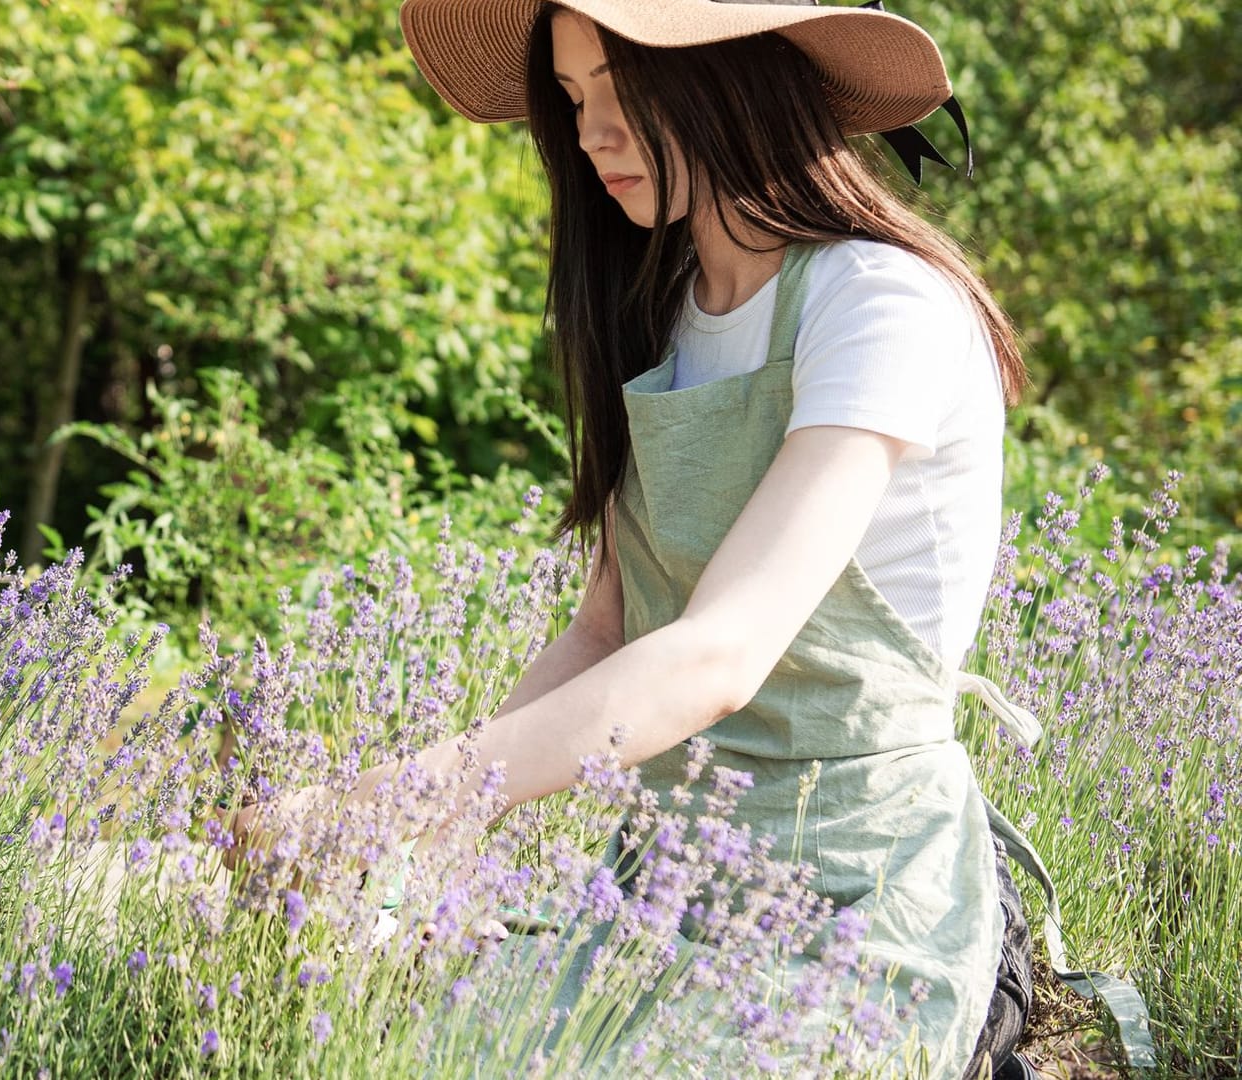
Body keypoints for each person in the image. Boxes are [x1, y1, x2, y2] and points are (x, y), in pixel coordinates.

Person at [228, 1, 1153, 1077]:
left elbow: (719, 655)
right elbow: (603, 632)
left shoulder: (879, 303)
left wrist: (379, 805)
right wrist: (414, 850)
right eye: (573, 102)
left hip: (860, 899)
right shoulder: (660, 312)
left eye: (621, 94)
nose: (590, 136)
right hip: (663, 890)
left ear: (731, 79)